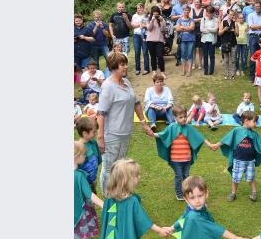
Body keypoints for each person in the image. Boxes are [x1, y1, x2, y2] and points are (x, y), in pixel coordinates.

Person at [96, 52, 154, 196]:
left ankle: (117, 192)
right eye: (122, 64)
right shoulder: (107, 86)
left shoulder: (126, 82)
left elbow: (137, 103)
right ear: (114, 67)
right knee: (109, 168)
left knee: (119, 167)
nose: (125, 67)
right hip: (112, 135)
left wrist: (144, 123)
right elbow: (101, 113)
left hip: (126, 133)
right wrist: (100, 137)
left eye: (125, 63)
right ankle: (107, 197)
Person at [213, 111, 261, 202]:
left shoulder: (254, 134)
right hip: (238, 160)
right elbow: (227, 139)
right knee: (235, 178)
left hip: (250, 161)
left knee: (251, 178)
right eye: (254, 121)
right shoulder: (237, 130)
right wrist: (217, 144)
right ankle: (233, 193)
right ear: (246, 121)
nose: (256, 124)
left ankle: (254, 192)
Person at [155, 112, 218, 200]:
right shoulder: (172, 127)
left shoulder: (189, 128)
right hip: (175, 159)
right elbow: (162, 135)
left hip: (187, 159)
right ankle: (179, 194)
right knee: (179, 176)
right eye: (181, 117)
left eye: (185, 116)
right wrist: (151, 133)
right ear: (175, 117)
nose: (184, 119)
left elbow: (200, 137)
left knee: (186, 176)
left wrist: (210, 145)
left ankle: (187, 192)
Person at [74, 141, 104, 239]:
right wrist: (104, 205)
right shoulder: (79, 176)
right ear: (76, 157)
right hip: (78, 212)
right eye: (83, 155)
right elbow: (90, 194)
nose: (85, 157)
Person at [76, 117, 103, 188]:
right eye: (94, 132)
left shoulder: (93, 143)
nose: (96, 133)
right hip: (82, 184)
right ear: (84, 133)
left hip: (92, 182)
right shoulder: (78, 148)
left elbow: (98, 159)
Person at [246, 1, 261, 79]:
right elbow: (251, 27)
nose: (258, 7)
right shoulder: (250, 15)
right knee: (253, 55)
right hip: (253, 37)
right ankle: (252, 76)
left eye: (259, 6)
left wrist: (257, 27)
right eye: (256, 6)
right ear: (254, 7)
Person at [131, 4, 150, 75]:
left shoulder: (146, 16)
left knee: (145, 52)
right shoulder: (134, 16)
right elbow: (132, 25)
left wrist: (141, 25)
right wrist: (140, 24)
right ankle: (137, 69)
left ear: (143, 8)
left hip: (144, 36)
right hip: (136, 35)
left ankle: (146, 69)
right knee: (137, 52)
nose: (139, 9)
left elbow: (148, 26)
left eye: (140, 8)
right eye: (137, 8)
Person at [176, 6, 195, 77]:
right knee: (183, 54)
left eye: (188, 10)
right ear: (183, 11)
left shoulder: (191, 20)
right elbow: (177, 29)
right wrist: (187, 28)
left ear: (189, 11)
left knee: (190, 54)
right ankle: (183, 70)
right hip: (182, 39)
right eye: (185, 10)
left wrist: (182, 27)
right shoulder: (179, 20)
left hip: (191, 39)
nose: (186, 12)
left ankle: (189, 70)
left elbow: (192, 28)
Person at [146, 5, 166, 73]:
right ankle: (154, 71)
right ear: (152, 12)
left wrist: (161, 21)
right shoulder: (149, 18)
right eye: (154, 12)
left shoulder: (162, 18)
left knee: (160, 56)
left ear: (159, 12)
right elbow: (149, 29)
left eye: (157, 12)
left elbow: (163, 30)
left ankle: (162, 71)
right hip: (150, 40)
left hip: (159, 40)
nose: (155, 13)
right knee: (153, 56)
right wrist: (152, 20)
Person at [218, 9, 238, 79]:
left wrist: (234, 30)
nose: (232, 16)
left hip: (233, 43)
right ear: (227, 14)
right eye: (230, 14)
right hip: (225, 43)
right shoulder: (223, 22)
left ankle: (232, 74)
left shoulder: (235, 23)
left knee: (233, 60)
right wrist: (224, 29)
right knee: (226, 60)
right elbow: (219, 33)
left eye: (233, 15)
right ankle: (227, 74)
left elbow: (237, 34)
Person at [200, 6, 219, 75]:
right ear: (206, 13)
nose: (209, 14)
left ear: (213, 13)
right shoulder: (203, 19)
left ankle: (211, 70)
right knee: (205, 55)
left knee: (212, 55)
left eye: (211, 13)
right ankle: (206, 69)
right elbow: (201, 29)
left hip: (212, 40)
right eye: (208, 12)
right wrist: (211, 29)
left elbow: (215, 30)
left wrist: (208, 29)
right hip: (204, 40)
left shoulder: (216, 20)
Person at [190, 0, 205, 70]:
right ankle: (193, 63)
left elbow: (204, 19)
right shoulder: (191, 10)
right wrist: (200, 19)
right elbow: (191, 19)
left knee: (200, 48)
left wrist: (195, 20)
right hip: (193, 31)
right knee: (193, 48)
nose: (196, 3)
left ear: (200, 3)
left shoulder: (203, 10)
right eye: (195, 2)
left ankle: (200, 63)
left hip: (201, 31)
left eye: (198, 2)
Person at [234, 13, 249, 77]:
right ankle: (237, 70)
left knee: (243, 57)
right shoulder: (236, 24)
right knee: (237, 57)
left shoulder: (246, 24)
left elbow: (248, 33)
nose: (241, 19)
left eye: (242, 18)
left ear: (244, 18)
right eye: (240, 18)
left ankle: (242, 70)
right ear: (238, 19)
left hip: (244, 43)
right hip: (237, 43)